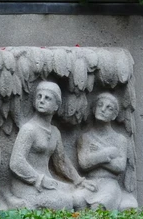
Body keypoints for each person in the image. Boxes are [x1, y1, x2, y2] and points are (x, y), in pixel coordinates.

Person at [5, 81, 94, 209]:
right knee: (66, 203)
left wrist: (78, 180)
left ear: (56, 106)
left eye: (47, 98)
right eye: (39, 97)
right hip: (27, 185)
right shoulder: (29, 129)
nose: (41, 100)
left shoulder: (55, 132)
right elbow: (16, 162)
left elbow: (61, 162)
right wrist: (38, 179)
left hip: (48, 182)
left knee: (83, 197)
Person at [76, 93, 138, 209]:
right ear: (94, 109)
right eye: (100, 105)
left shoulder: (120, 139)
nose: (103, 109)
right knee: (76, 202)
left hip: (110, 184)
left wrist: (95, 156)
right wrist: (106, 153)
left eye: (109, 108)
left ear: (114, 116)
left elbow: (119, 167)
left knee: (98, 207)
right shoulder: (85, 138)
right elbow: (84, 163)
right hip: (90, 182)